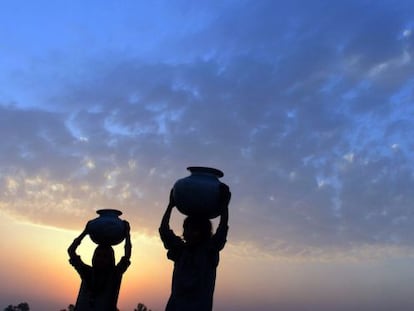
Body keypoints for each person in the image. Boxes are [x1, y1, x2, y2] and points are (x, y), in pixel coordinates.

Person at [159, 184, 231, 311]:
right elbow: (164, 230)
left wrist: (224, 206)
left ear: (204, 232)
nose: (188, 233)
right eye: (186, 229)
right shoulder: (180, 250)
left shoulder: (210, 251)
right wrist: (170, 205)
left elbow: (222, 230)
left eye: (194, 230)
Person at [68, 221, 132, 311]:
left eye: (105, 256)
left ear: (111, 260)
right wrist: (85, 232)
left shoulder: (114, 275)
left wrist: (127, 234)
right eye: (98, 255)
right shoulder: (87, 272)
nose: (101, 259)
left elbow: (126, 256)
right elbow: (71, 251)